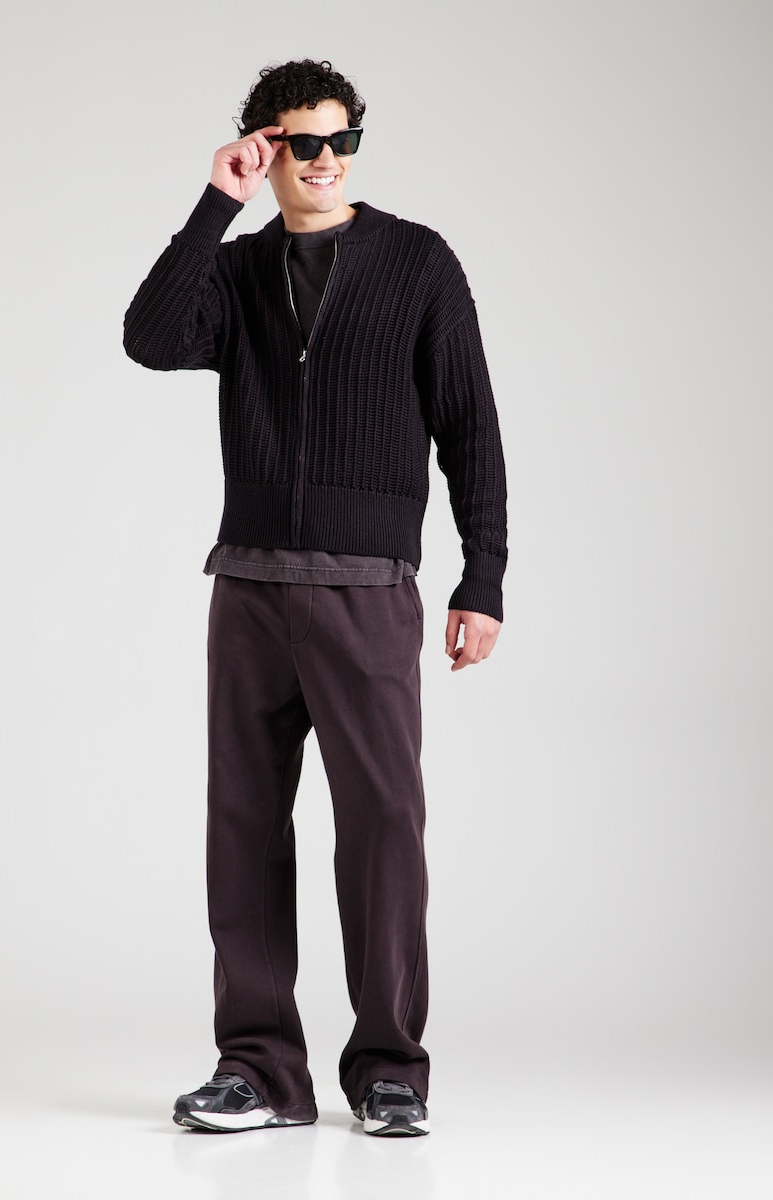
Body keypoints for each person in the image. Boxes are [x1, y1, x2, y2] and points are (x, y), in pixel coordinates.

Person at [123, 59, 507, 1138]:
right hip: (249, 586)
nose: (325, 159)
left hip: (367, 591)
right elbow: (150, 337)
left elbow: (470, 425)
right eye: (301, 142)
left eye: (341, 140)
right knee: (243, 827)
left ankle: (390, 1070)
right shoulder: (239, 271)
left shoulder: (418, 263)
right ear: (265, 147)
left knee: (382, 825)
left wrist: (483, 577)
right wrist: (217, 201)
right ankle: (257, 1071)